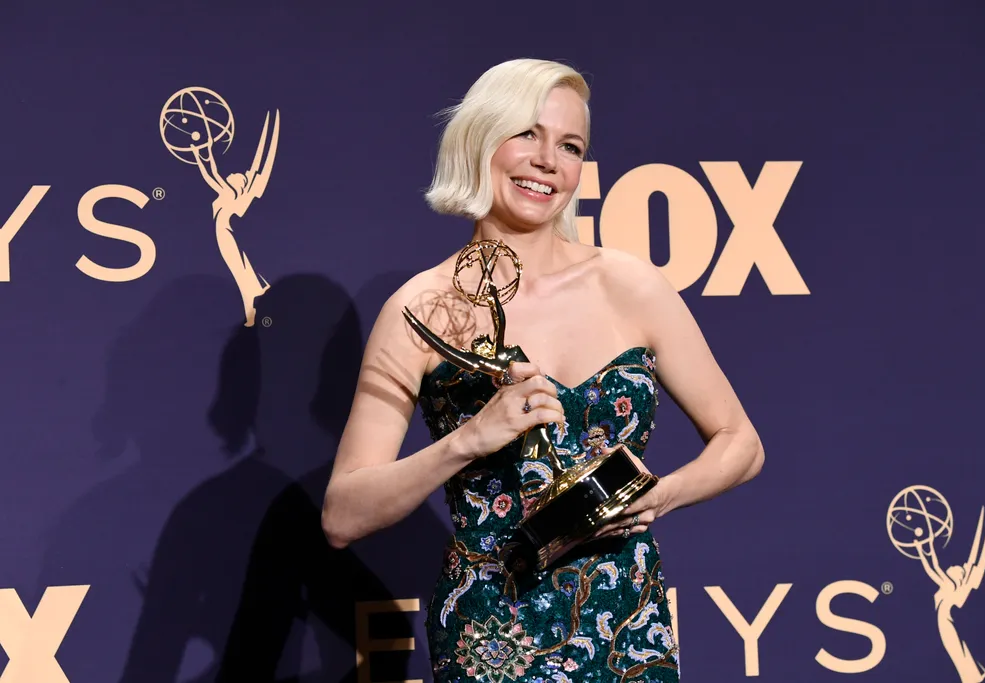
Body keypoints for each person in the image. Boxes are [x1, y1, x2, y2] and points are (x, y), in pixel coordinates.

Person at [322, 58, 764, 682]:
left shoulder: (630, 286)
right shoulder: (422, 310)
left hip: (626, 626)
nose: (548, 160)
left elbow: (741, 444)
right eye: (527, 134)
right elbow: (343, 515)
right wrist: (469, 439)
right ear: (480, 140)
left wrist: (660, 498)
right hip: (493, 632)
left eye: (570, 145)